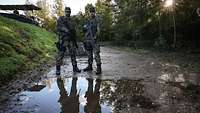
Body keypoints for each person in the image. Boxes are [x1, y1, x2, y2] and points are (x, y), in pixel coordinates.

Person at [55, 7, 81, 75]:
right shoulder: (61, 19)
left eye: (69, 11)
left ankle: (75, 67)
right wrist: (65, 30)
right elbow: (58, 28)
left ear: (70, 12)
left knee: (73, 54)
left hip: (71, 40)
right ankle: (58, 69)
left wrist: (75, 37)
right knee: (61, 54)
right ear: (64, 12)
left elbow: (74, 30)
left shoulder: (72, 20)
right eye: (66, 11)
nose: (68, 13)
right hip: (64, 39)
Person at [83, 6, 102, 74]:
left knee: (96, 54)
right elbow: (85, 28)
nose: (92, 13)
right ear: (89, 13)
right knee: (89, 54)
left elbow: (99, 30)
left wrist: (96, 36)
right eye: (90, 12)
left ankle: (99, 68)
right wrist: (84, 28)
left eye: (93, 12)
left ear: (95, 12)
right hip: (88, 40)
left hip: (95, 40)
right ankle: (90, 66)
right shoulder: (88, 20)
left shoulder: (97, 20)